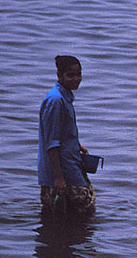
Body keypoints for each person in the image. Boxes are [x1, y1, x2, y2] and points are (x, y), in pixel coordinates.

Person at [37, 55, 95, 216]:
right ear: (59, 75)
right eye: (70, 75)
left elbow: (61, 133)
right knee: (82, 210)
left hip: (70, 165)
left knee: (76, 214)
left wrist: (76, 146)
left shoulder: (64, 97)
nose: (76, 79)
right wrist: (58, 177)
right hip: (61, 172)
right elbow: (51, 143)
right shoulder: (56, 100)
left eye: (78, 74)